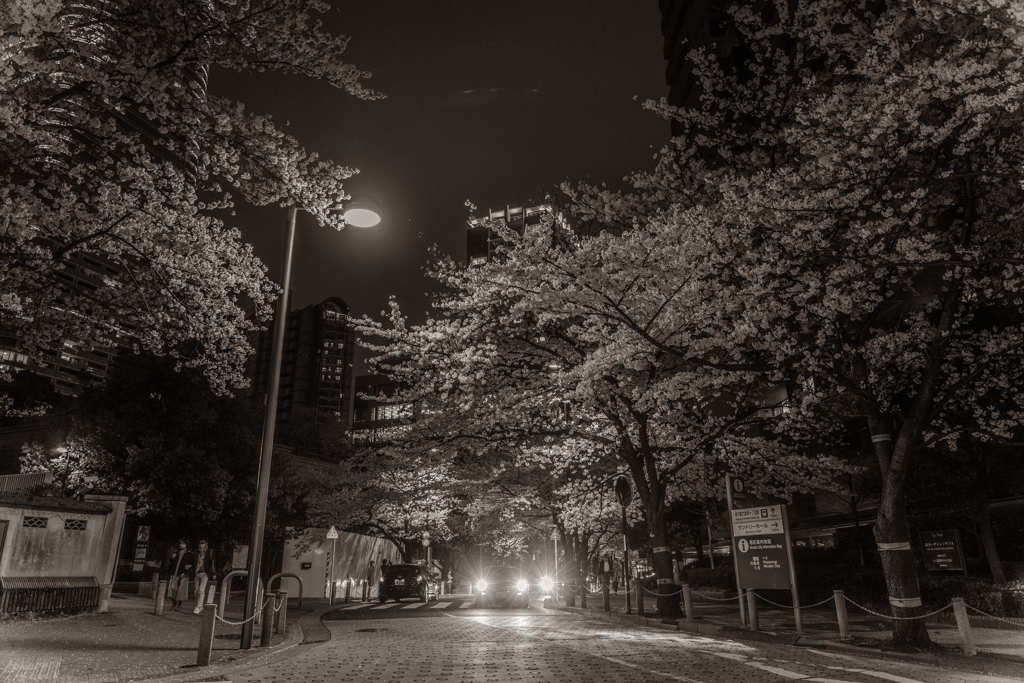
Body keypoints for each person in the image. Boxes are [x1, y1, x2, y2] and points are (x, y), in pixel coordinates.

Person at [164, 538, 193, 611]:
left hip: (183, 574)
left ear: (186, 545)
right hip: (174, 573)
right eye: (180, 543)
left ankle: (179, 605)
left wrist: (186, 572)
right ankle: (173, 603)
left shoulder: (189, 554)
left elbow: (190, 564)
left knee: (181, 590)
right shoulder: (176, 552)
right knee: (172, 589)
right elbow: (171, 561)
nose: (181, 545)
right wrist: (172, 557)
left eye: (183, 544)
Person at [191, 539, 216, 614]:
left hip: (205, 572)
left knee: (201, 590)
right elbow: (193, 562)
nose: (201, 545)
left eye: (203, 543)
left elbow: (213, 562)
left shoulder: (209, 552)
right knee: (196, 591)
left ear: (206, 544)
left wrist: (214, 573)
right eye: (200, 543)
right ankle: (198, 605)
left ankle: (199, 606)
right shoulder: (196, 552)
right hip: (197, 572)